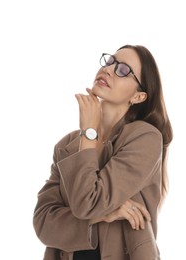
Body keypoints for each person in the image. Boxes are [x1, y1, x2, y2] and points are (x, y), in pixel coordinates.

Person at [33, 44, 173, 260]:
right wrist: (105, 214)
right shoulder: (67, 145)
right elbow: (43, 223)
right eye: (110, 62)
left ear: (138, 97)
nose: (108, 69)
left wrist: (89, 132)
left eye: (124, 70)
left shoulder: (145, 138)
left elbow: (88, 203)